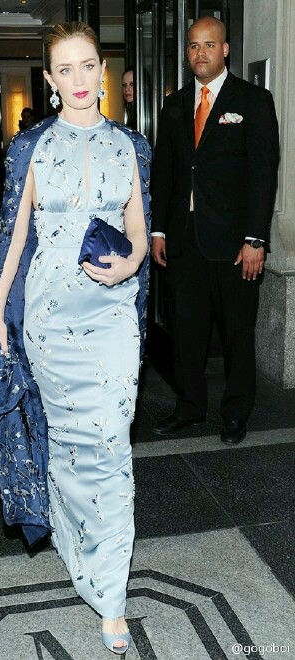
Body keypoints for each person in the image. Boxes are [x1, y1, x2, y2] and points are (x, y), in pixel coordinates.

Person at [0, 21, 151, 656]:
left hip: (112, 316)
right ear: (50, 80)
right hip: (50, 318)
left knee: (110, 446)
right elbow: (13, 237)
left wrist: (131, 265)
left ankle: (112, 593)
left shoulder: (131, 145)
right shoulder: (30, 148)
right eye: (65, 69)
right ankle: (77, 544)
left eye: (87, 66)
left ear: (101, 72)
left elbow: (139, 227)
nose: (79, 79)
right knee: (71, 447)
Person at [150, 17, 279, 444]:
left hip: (235, 241)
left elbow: (263, 174)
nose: (199, 53)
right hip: (184, 237)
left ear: (225, 50)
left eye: (208, 45)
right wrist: (158, 230)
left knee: (237, 331)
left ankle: (237, 412)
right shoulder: (174, 104)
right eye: (193, 46)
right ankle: (190, 405)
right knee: (187, 330)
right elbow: (165, 171)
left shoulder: (253, 101)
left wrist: (256, 238)